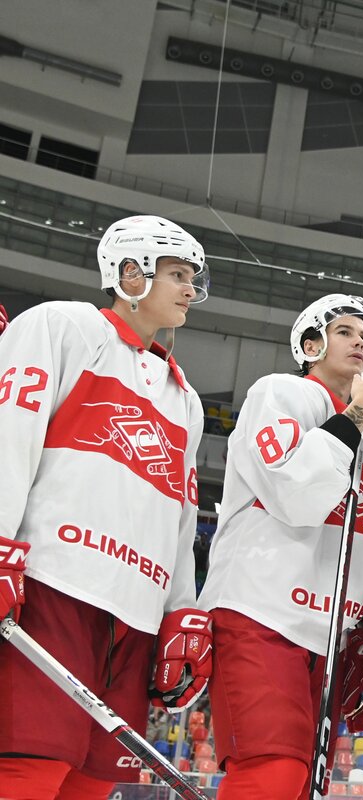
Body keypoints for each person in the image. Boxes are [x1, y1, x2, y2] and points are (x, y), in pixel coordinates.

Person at [0, 215, 212, 798]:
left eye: (193, 277)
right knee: (28, 765)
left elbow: (182, 514)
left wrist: (181, 612)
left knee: (92, 781)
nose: (190, 289)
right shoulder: (60, 326)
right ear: (129, 274)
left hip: (135, 615)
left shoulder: (185, 398)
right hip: (51, 584)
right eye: (176, 274)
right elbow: (9, 435)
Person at [197, 294, 363, 798]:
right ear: (311, 344)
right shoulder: (280, 393)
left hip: (330, 635)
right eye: (346, 332)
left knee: (302, 782)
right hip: (260, 611)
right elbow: (295, 492)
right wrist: (357, 413)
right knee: (272, 772)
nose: (361, 345)